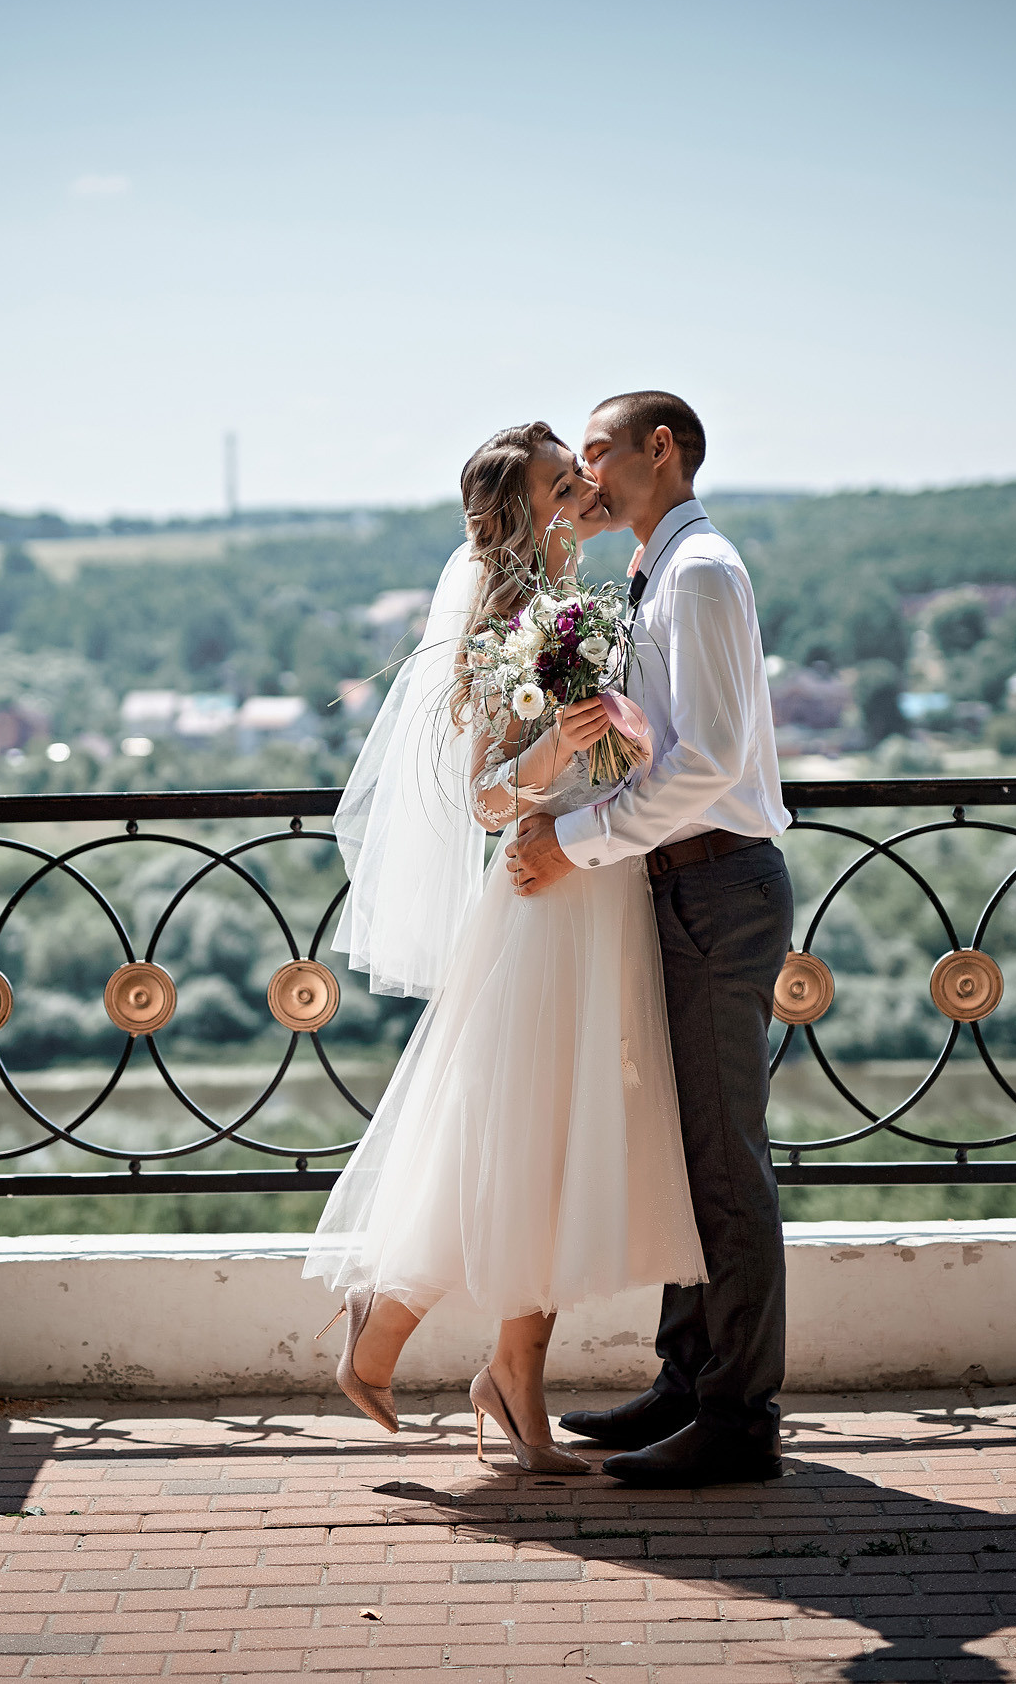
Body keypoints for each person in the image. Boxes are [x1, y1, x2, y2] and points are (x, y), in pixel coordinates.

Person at [306, 420, 707, 1474]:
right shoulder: (506, 615)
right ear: (524, 506)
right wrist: (555, 749)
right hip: (541, 898)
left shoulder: (591, 600)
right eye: (558, 477)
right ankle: (414, 1342)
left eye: (579, 470)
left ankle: (492, 1367)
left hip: (606, 889)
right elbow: (485, 797)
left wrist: (619, 739)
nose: (581, 484)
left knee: (569, 1139)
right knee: (525, 1134)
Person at [503, 390, 795, 1488]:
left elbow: (712, 762)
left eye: (598, 453)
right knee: (691, 1152)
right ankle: (686, 1382)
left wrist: (575, 842)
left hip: (717, 890)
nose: (588, 476)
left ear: (660, 449)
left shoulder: (702, 572)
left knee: (726, 1163)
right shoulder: (655, 572)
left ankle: (737, 1419)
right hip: (683, 887)